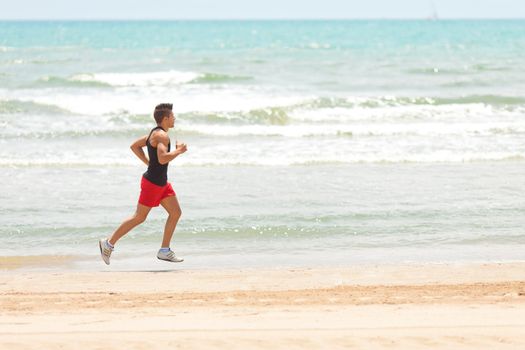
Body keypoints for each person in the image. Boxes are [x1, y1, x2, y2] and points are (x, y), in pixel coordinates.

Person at [99, 103, 187, 265]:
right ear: (165, 118)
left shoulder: (154, 133)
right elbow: (162, 158)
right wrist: (178, 151)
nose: (174, 118)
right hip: (153, 184)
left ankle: (164, 250)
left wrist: (148, 163)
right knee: (139, 217)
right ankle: (109, 243)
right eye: (172, 116)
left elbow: (134, 146)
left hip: (161, 183)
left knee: (175, 212)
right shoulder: (161, 136)